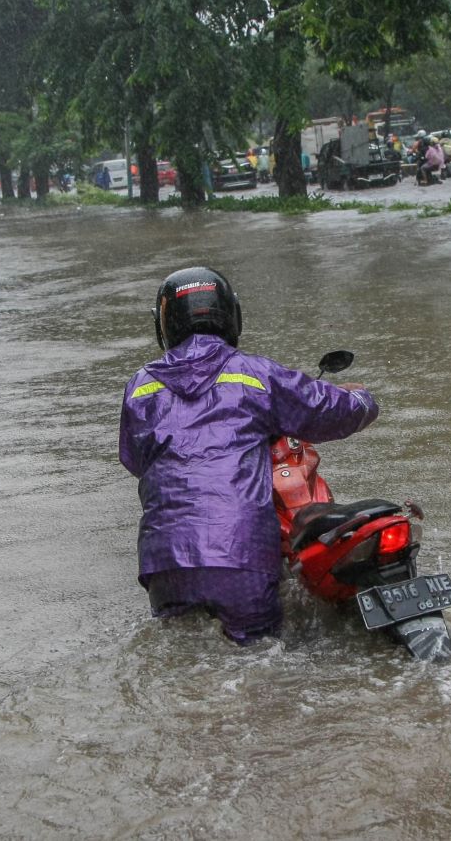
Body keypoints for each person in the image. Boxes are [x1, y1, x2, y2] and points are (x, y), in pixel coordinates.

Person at [118, 267, 379, 644]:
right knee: (259, 658)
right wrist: (362, 399)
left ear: (164, 324)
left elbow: (134, 459)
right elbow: (329, 412)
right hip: (239, 554)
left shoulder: (140, 387)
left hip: (164, 562)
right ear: (230, 315)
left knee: (184, 655)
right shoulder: (255, 375)